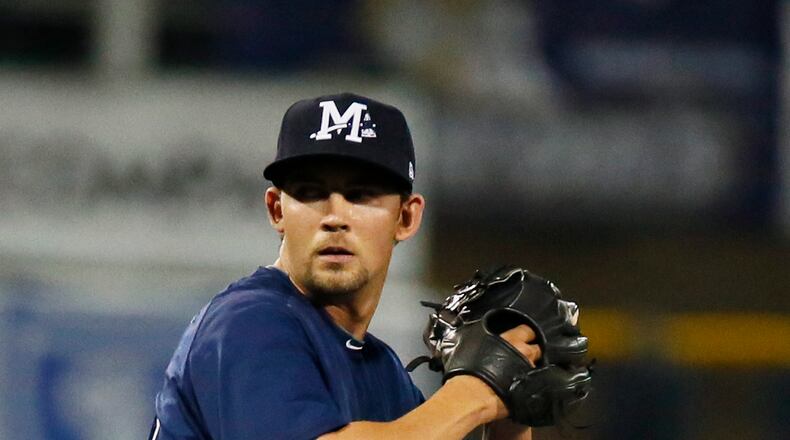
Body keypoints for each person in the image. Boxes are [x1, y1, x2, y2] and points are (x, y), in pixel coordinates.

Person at [150, 93, 542, 439]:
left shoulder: (384, 375)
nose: (335, 216)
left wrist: (511, 410)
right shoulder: (248, 323)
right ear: (276, 209)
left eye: (361, 195)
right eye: (311, 193)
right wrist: (474, 392)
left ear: (406, 218)